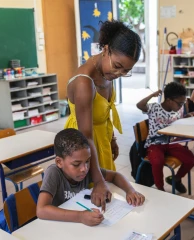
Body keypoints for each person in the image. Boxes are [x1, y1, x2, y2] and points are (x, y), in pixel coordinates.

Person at [64, 20, 142, 209]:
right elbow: (85, 136)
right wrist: (98, 180)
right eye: (117, 66)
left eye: (126, 71)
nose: (119, 73)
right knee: (87, 202)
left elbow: (105, 112)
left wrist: (112, 139)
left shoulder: (107, 72)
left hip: (100, 141)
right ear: (106, 49)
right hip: (83, 149)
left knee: (108, 204)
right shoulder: (84, 82)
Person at [36, 128, 145, 226]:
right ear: (59, 162)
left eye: (87, 161)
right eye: (76, 164)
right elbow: (41, 210)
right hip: (60, 226)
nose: (84, 168)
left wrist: (130, 190)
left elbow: (115, 176)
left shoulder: (87, 170)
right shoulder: (54, 173)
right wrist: (80, 216)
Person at [136, 82, 194, 192]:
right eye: (179, 104)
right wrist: (152, 95)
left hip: (171, 143)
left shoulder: (177, 111)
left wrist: (187, 116)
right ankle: (160, 189)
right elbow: (139, 105)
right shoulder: (155, 108)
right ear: (169, 100)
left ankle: (175, 179)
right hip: (155, 144)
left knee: (190, 159)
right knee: (157, 162)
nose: (180, 107)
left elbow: (178, 122)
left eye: (182, 104)